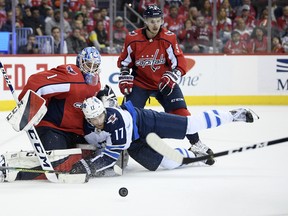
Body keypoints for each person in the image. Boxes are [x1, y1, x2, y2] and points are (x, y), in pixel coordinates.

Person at [117, 5, 215, 165]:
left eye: (158, 21)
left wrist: (173, 74)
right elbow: (125, 62)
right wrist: (124, 74)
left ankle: (196, 144)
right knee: (127, 115)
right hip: (140, 83)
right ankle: (122, 148)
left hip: (164, 82)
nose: (155, 24)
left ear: (162, 20)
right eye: (151, 21)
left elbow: (180, 62)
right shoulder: (132, 38)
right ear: (145, 21)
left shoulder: (168, 38)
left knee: (181, 112)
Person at [69, 96, 259, 177]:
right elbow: (103, 148)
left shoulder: (114, 119)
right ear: (88, 118)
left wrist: (89, 166)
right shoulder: (89, 128)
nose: (98, 121)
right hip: (133, 143)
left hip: (144, 121)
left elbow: (110, 156)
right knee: (167, 163)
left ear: (104, 111)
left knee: (189, 125)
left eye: (100, 115)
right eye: (93, 119)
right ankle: (195, 156)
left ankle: (234, 115)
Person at [18, 46, 102, 150]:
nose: (92, 69)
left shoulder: (97, 83)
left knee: (94, 155)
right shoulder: (70, 75)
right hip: (53, 128)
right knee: (59, 161)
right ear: (80, 62)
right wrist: (25, 106)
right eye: (89, 64)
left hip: (77, 132)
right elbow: (36, 82)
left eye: (95, 66)